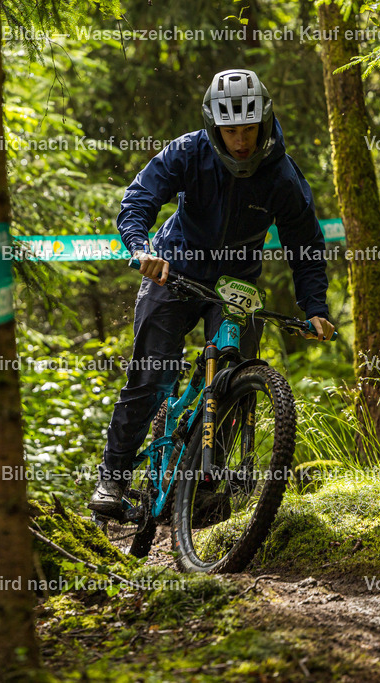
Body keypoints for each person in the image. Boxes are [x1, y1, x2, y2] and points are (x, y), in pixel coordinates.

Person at [88, 68, 335, 517]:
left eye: (249, 129)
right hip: (173, 269)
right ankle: (113, 478)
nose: (240, 141)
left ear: (264, 122)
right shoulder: (188, 151)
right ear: (214, 127)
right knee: (152, 374)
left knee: (232, 378)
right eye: (230, 131)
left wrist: (315, 307)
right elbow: (139, 199)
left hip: (236, 284)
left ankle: (205, 486)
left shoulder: (282, 176)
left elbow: (305, 244)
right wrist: (141, 249)